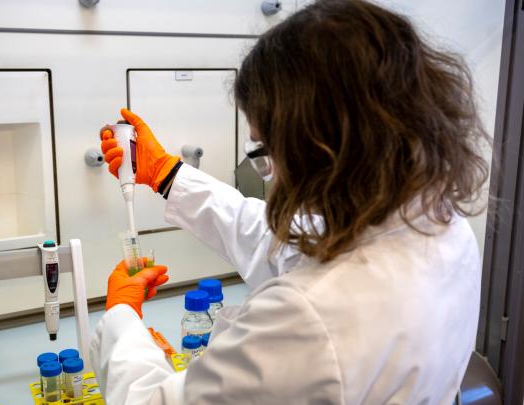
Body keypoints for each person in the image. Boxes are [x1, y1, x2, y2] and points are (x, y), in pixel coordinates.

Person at [90, 0, 490, 403]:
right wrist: (167, 175)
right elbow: (285, 244)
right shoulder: (441, 227)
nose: (271, 173)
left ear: (316, 148)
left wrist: (122, 319)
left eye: (265, 149)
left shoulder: (308, 321)